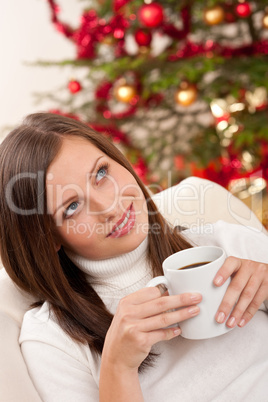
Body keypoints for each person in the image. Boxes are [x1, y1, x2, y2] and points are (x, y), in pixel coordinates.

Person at [0, 112, 267, 402]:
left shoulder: (226, 243)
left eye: (101, 173)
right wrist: (118, 367)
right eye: (72, 206)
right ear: (48, 238)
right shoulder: (52, 340)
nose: (110, 207)